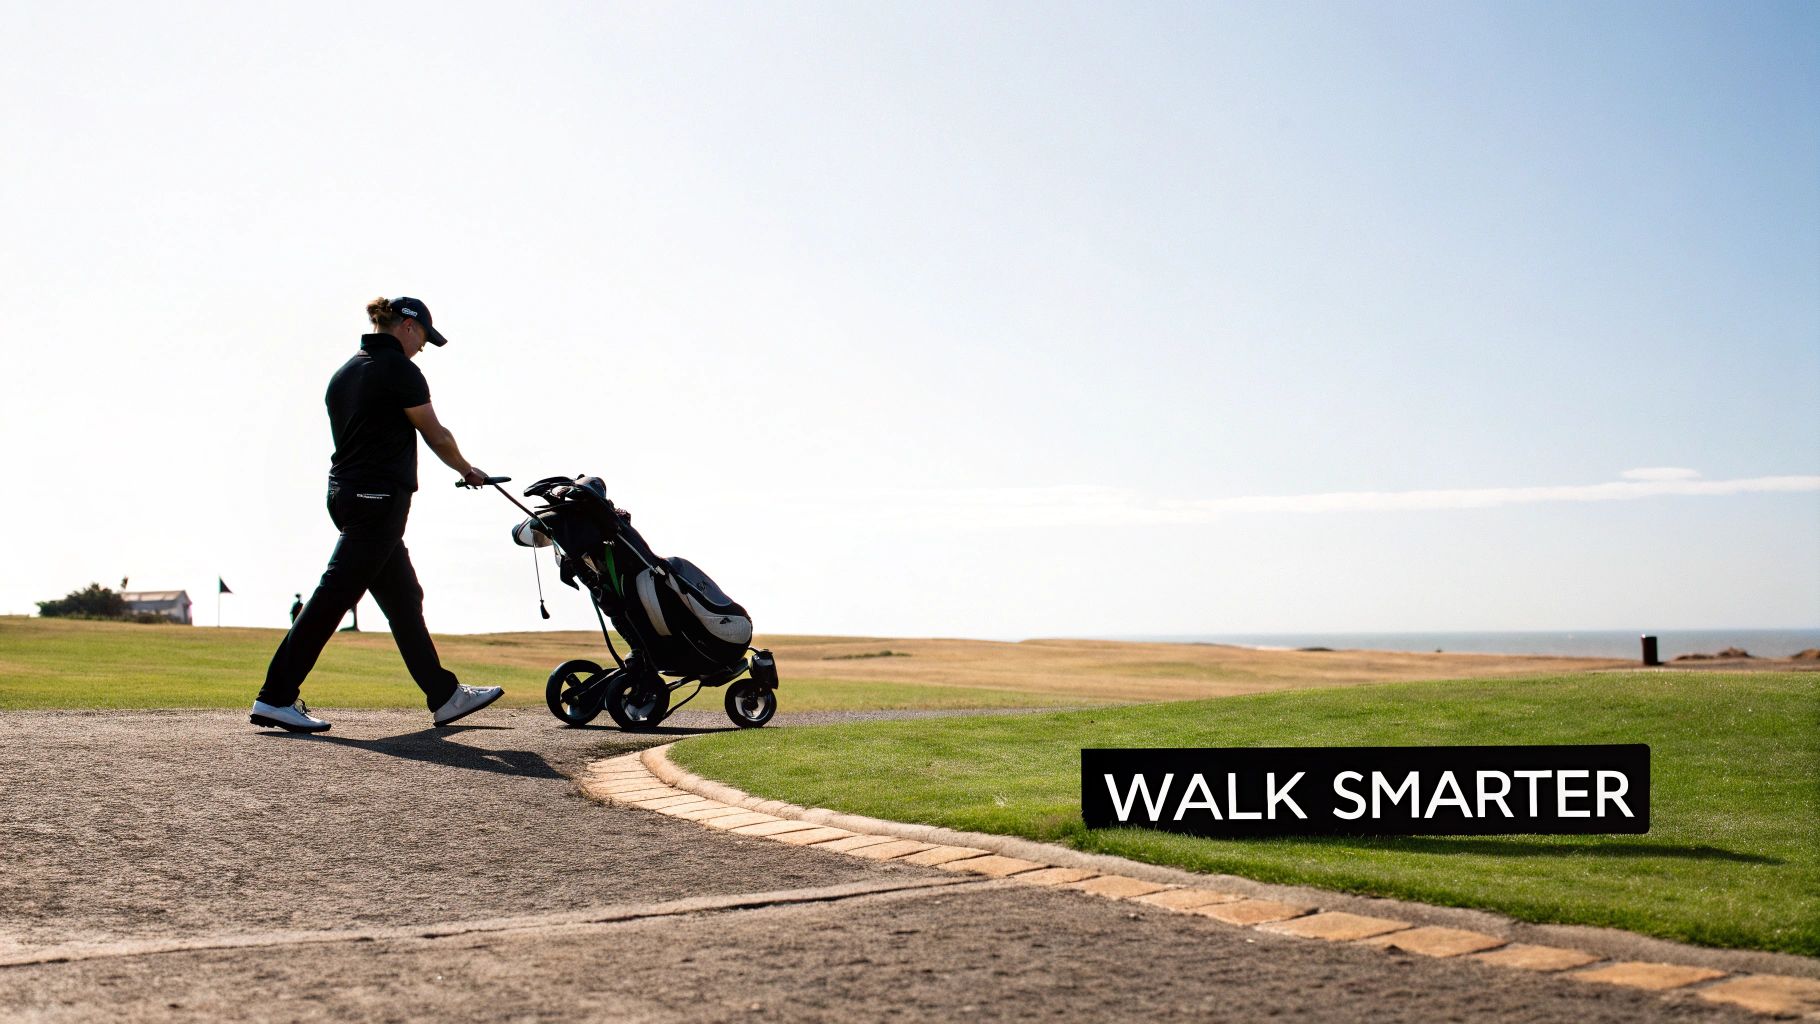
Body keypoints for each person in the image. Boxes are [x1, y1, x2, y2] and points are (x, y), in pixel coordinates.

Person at [251, 297, 503, 733]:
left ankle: (444, 696)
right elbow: (436, 434)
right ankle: (275, 697)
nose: (423, 347)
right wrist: (468, 470)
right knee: (334, 596)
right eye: (424, 336)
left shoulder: (346, 371)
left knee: (404, 599)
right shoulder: (399, 370)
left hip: (346, 495)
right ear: (407, 326)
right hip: (377, 500)